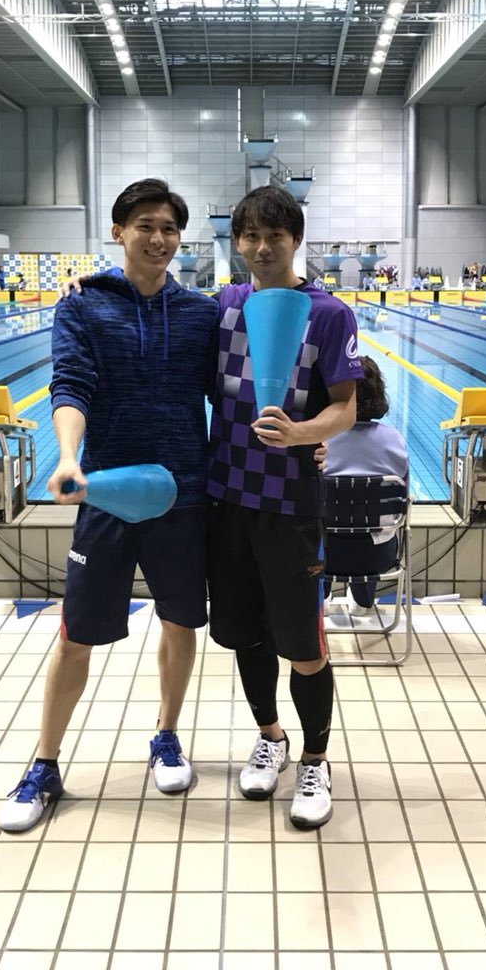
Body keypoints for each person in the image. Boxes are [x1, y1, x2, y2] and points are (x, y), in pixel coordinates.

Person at [0, 179, 219, 832]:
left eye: (169, 228)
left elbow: (232, 395)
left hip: (183, 494)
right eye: (145, 225)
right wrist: (69, 457)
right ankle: (44, 763)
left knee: (180, 622)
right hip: (107, 493)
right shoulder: (83, 305)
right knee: (76, 634)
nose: (159, 238)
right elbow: (71, 384)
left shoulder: (201, 314)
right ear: (118, 231)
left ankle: (167, 736)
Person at [206, 186, 362, 830]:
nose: (263, 247)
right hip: (226, 497)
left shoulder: (328, 314)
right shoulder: (224, 305)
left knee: (302, 643)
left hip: (291, 502)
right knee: (245, 633)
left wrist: (303, 434)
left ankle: (316, 761)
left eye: (275, 235)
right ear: (237, 242)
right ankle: (271, 737)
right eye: (251, 235)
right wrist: (89, 287)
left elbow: (346, 406)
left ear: (296, 239)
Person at [323, 356, 409, 614]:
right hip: (378, 556)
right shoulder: (393, 439)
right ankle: (362, 601)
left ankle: (320, 597)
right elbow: (403, 497)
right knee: (371, 521)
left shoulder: (320, 440)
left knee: (321, 519)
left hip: (323, 556)